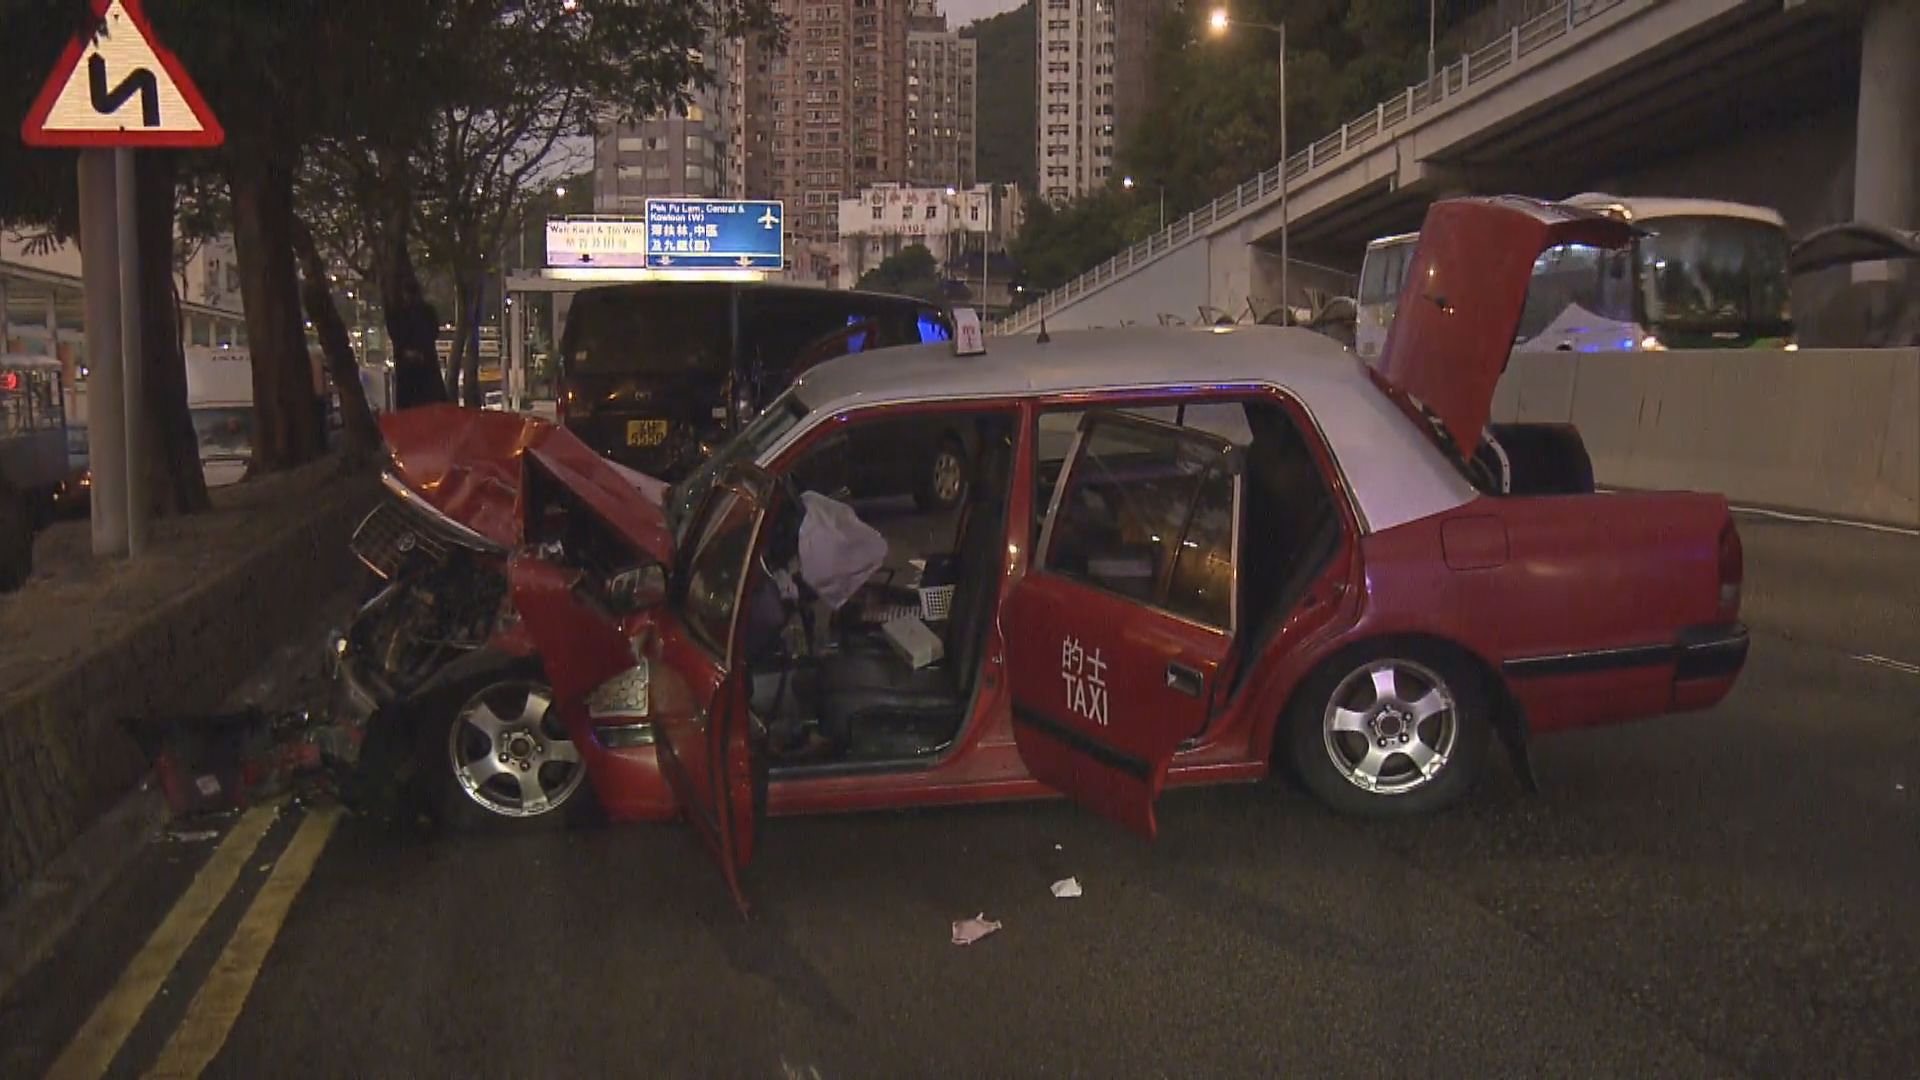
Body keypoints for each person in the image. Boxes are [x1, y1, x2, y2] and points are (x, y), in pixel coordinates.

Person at [389, 278, 448, 409]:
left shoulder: (401, 314)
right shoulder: (426, 312)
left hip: (410, 363)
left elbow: (397, 336)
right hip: (424, 361)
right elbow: (434, 332)